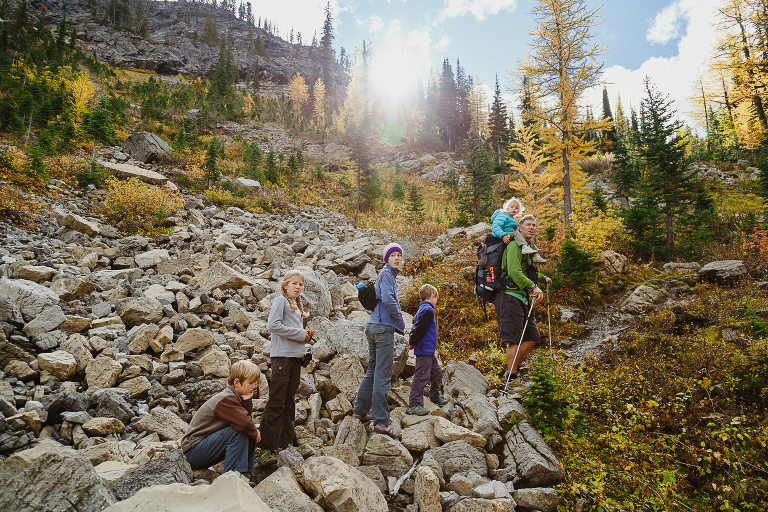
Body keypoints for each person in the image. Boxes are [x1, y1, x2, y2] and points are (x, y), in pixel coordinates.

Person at [258, 269, 315, 465]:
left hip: (294, 357)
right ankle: (264, 448)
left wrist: (306, 336)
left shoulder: (295, 305)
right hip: (282, 358)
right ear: (285, 285)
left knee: (289, 401)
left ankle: (286, 444)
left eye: (301, 285)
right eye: (294, 284)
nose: (298, 287)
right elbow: (272, 325)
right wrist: (301, 335)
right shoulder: (280, 301)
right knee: (276, 401)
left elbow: (291, 331)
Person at [352, 242, 405, 438]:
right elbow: (388, 299)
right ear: (387, 259)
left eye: (399, 255)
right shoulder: (386, 275)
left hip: (373, 327)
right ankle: (381, 422)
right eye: (393, 255)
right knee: (382, 374)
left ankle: (360, 410)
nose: (397, 258)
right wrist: (400, 318)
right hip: (383, 330)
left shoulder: (386, 275)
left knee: (373, 370)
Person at [495, 214, 551, 383]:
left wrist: (542, 278)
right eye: (528, 225)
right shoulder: (514, 245)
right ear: (519, 228)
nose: (532, 227)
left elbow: (525, 271)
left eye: (534, 225)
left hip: (522, 298)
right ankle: (511, 380)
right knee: (514, 340)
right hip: (509, 296)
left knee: (533, 337)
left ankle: (512, 371)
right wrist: (533, 287)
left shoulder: (527, 248)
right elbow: (514, 272)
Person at [180, 360, 262, 475]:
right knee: (240, 431)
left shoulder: (234, 397)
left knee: (246, 430)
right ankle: (232, 476)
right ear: (237, 382)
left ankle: (244, 474)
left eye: (255, 383)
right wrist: (255, 433)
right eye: (251, 382)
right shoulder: (226, 399)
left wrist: (247, 400)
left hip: (201, 450)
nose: (254, 386)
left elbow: (245, 419)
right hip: (191, 453)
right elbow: (244, 423)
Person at [406, 284, 448, 416]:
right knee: (421, 377)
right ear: (433, 295)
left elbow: (416, 326)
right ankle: (414, 404)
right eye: (437, 299)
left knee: (436, 373)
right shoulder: (427, 310)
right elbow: (418, 328)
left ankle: (434, 396)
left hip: (429, 351)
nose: (437, 302)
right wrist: (412, 341)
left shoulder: (423, 309)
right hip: (424, 350)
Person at [491, 197, 546, 263]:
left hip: (509, 234)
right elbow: (495, 227)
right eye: (512, 207)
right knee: (517, 234)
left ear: (518, 211)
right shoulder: (502, 216)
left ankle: (536, 254)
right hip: (502, 235)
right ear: (507, 208)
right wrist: (502, 236)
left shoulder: (512, 218)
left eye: (516, 208)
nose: (514, 209)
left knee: (526, 239)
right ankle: (524, 248)